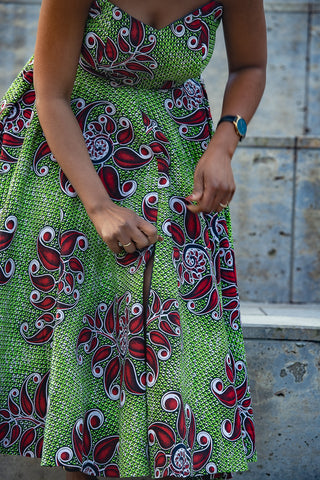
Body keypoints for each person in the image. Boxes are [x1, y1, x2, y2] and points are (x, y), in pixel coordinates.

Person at [0, 0, 267, 479]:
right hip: (73, 156)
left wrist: (226, 141)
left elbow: (250, 65)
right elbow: (51, 94)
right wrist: (99, 206)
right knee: (86, 359)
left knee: (183, 346)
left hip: (174, 151)